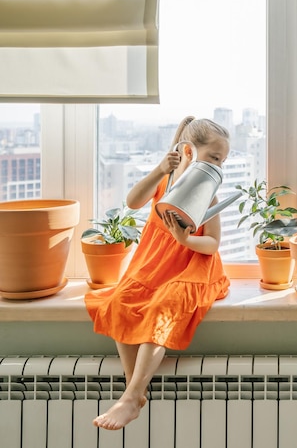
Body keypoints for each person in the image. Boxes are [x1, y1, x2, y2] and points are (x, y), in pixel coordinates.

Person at [84, 116, 231, 431]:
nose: (220, 166)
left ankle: (133, 394)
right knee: (120, 303)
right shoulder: (164, 182)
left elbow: (213, 244)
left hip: (193, 266)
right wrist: (160, 169)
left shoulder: (209, 194)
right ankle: (133, 391)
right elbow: (133, 201)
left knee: (162, 308)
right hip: (153, 262)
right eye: (215, 158)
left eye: (223, 161)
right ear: (189, 152)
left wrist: (186, 240)